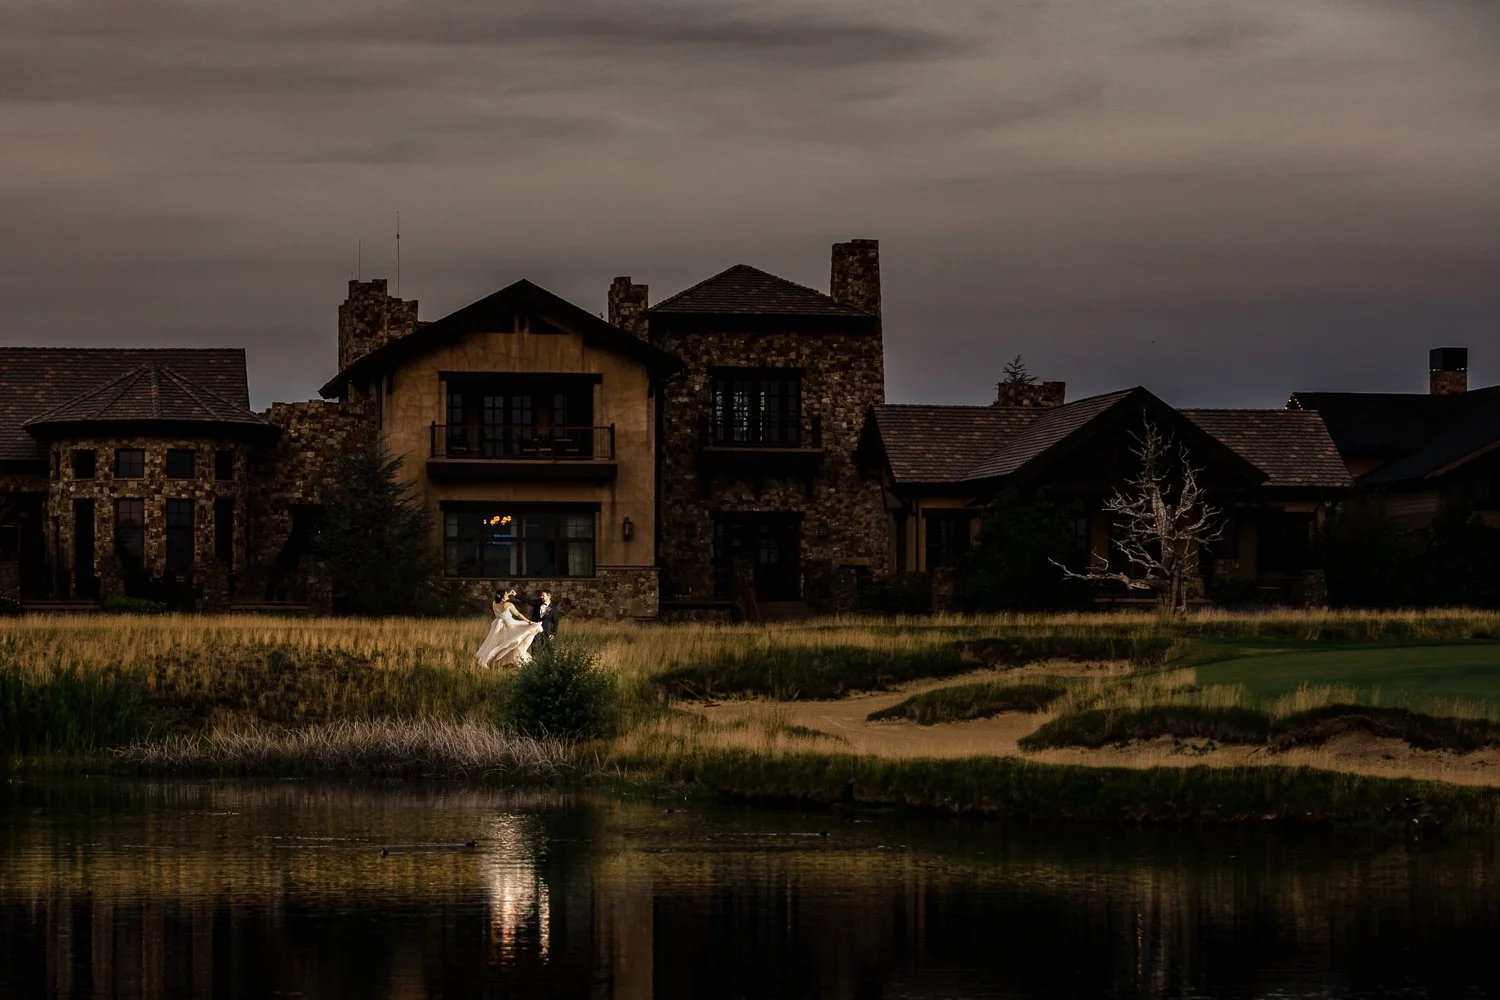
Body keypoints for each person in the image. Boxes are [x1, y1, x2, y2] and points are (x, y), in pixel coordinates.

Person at [474, 588, 543, 669]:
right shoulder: (508, 605)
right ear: (502, 597)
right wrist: (529, 622)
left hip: (498, 625)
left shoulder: (494, 603)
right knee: (512, 641)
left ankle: (492, 660)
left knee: (496, 643)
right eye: (506, 594)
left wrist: (508, 594)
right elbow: (518, 614)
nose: (508, 595)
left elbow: (501, 598)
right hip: (509, 625)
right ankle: (501, 660)